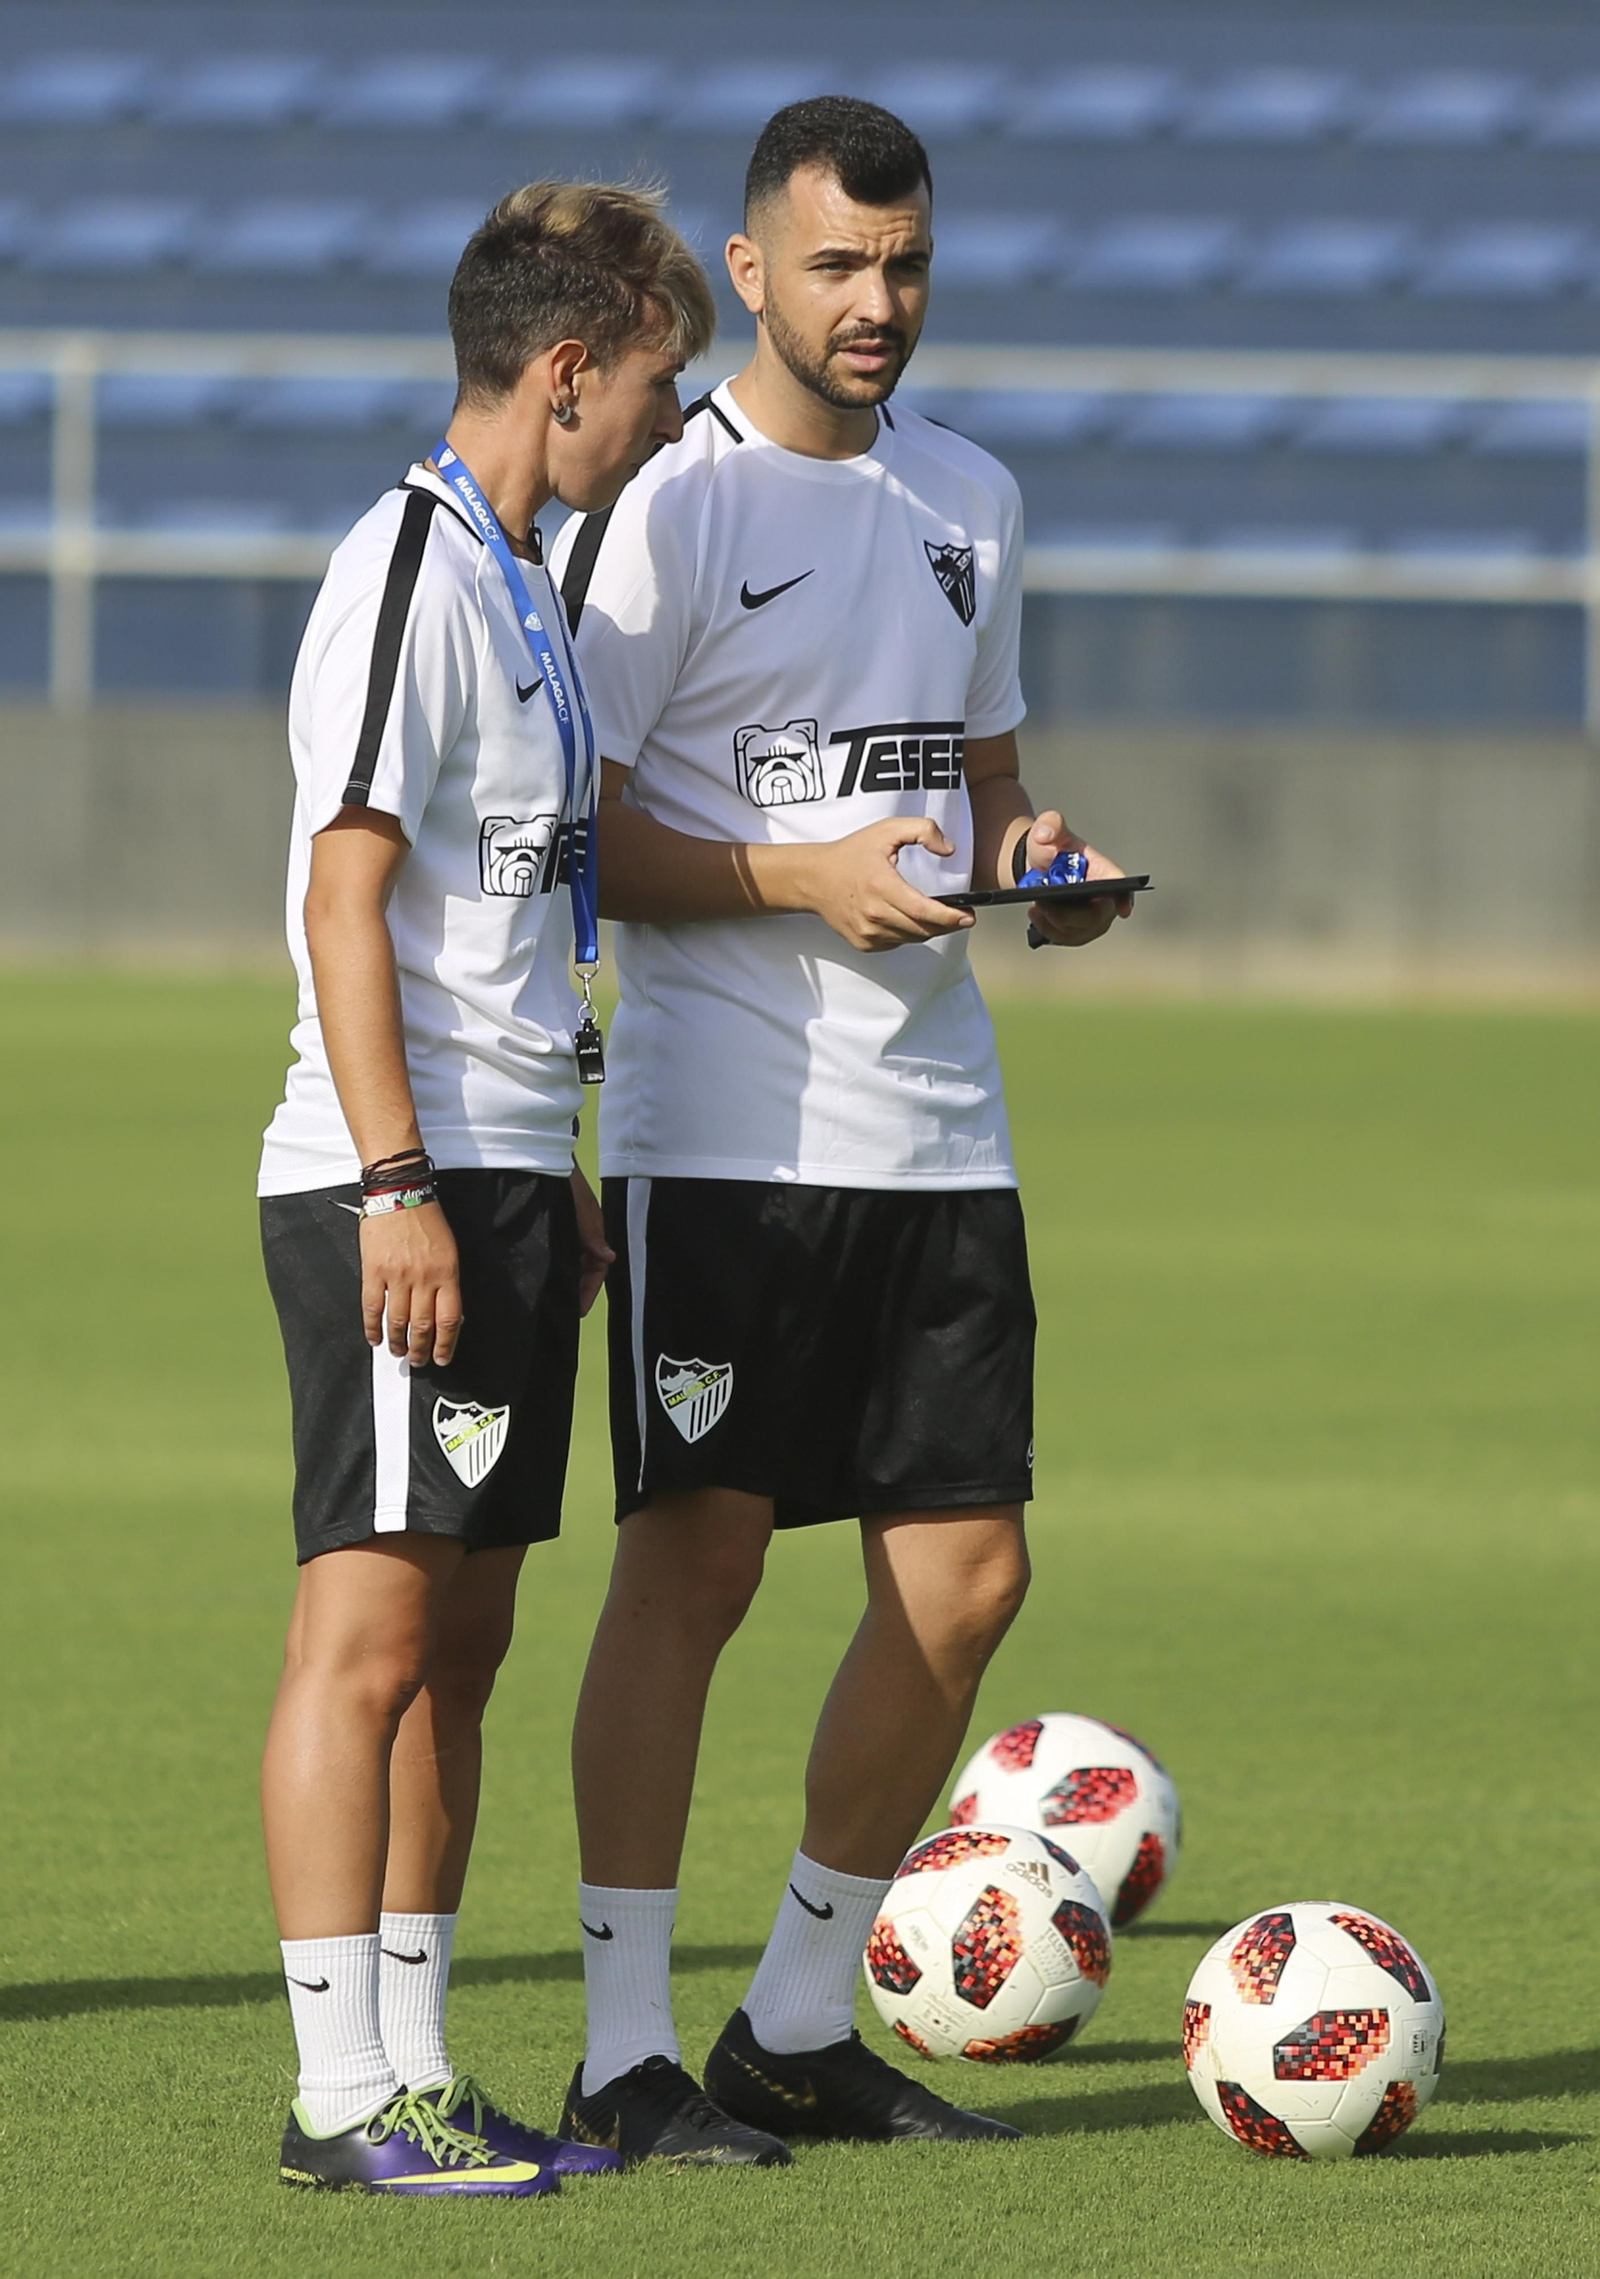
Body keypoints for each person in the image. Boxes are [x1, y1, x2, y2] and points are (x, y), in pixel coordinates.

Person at [549, 98, 1133, 2166]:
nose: (874, 303)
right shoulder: (665, 508)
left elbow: (979, 790)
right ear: (752, 266)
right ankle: (621, 2045)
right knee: (691, 1569)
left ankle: (796, 2022)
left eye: (901, 266)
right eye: (835, 268)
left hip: (938, 1127)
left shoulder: (968, 493)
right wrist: (800, 877)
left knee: (964, 1579)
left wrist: (1030, 860)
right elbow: (583, 838)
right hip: (723, 1128)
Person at [256, 181, 715, 2196]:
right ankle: (338, 2092)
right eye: (650, 384)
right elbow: (342, 898)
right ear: (562, 373)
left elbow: (515, 928)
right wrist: (399, 1187)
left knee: (464, 1645)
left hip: (515, 1180)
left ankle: (419, 2064)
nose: (661, 422)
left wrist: (559, 1171)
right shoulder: (405, 570)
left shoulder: (526, 581)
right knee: (362, 1639)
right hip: (401, 1182)